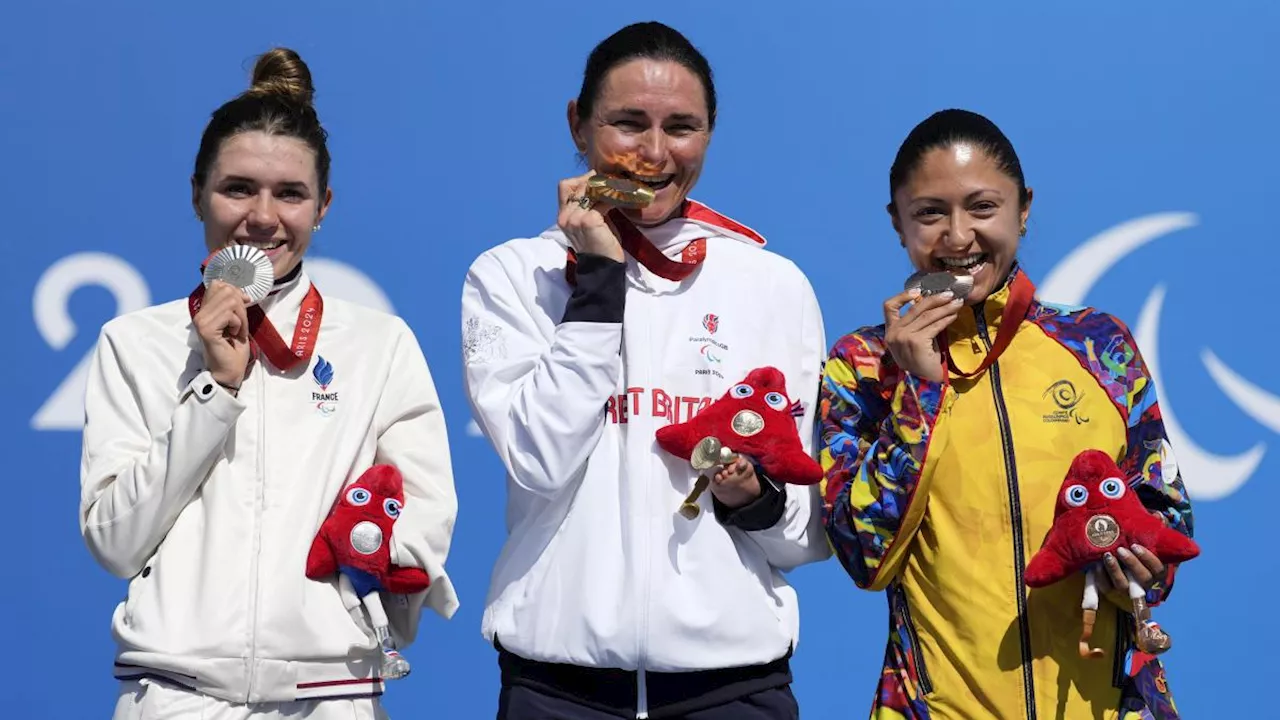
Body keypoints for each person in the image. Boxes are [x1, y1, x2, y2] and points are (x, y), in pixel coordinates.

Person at [461, 21, 827, 720]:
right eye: (629, 123)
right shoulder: (512, 275)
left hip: (734, 689)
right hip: (558, 691)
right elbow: (539, 461)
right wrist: (598, 279)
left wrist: (755, 499)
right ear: (578, 122)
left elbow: (801, 532)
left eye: (681, 127)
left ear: (711, 133)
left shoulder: (772, 284)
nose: (655, 153)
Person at [80, 47, 459, 720]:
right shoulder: (135, 343)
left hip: (331, 698)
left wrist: (367, 561)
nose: (262, 218)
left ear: (324, 206)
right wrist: (214, 393)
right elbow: (114, 541)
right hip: (176, 698)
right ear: (197, 191)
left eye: (290, 194)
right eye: (237, 189)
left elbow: (423, 522)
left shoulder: (378, 344)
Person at [819, 108, 1195, 719]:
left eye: (982, 208)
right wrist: (919, 387)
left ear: (1023, 208)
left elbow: (1167, 521)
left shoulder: (1098, 346)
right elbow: (865, 555)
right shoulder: (864, 365)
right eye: (930, 213)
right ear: (898, 223)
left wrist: (1140, 563)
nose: (958, 236)